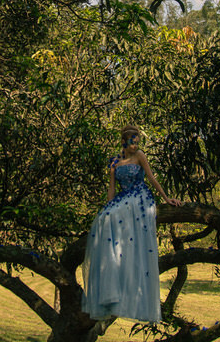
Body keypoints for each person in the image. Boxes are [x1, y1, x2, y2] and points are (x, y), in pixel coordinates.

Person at [81, 125, 182, 323]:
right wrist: (107, 208)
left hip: (139, 196)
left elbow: (151, 178)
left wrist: (166, 198)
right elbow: (111, 189)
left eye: (137, 141)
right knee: (104, 219)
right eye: (132, 141)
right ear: (124, 142)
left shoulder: (140, 156)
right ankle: (111, 282)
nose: (136, 145)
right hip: (122, 198)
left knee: (121, 213)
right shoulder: (114, 162)